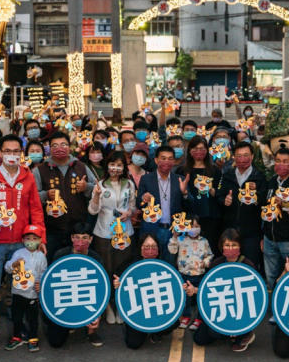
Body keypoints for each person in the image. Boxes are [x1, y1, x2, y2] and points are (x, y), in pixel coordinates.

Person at [0, 134, 45, 344]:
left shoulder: (28, 177)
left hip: (22, 242)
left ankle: (21, 326)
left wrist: (40, 237)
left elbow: (35, 209)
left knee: (23, 286)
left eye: (16, 151)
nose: (12, 155)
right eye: (7, 151)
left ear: (21, 154)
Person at [187, 229, 258, 353]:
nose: (230, 248)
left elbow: (255, 297)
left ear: (240, 246)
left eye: (234, 245)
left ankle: (245, 333)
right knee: (200, 339)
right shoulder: (217, 264)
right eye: (227, 245)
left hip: (240, 310)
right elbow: (208, 289)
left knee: (231, 331)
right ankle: (226, 333)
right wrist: (194, 290)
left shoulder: (248, 265)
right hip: (222, 307)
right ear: (222, 247)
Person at [89, 151, 137, 323]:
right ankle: (108, 305)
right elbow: (93, 211)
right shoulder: (100, 184)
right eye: (112, 164)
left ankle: (120, 304)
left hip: (124, 233)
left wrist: (129, 213)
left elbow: (132, 206)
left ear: (124, 167)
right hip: (104, 233)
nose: (115, 168)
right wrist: (95, 195)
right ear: (107, 166)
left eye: (119, 165)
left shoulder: (129, 184)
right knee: (107, 269)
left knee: (122, 269)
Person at [34, 131, 95, 261]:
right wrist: (45, 195)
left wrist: (86, 187)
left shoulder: (81, 166)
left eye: (63, 145)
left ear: (70, 147)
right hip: (51, 228)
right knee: (52, 261)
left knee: (76, 263)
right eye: (54, 146)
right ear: (49, 148)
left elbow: (97, 190)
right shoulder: (40, 169)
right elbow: (32, 197)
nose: (59, 148)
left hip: (77, 230)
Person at [46, 223, 104, 348]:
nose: (80, 241)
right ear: (72, 238)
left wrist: (97, 314)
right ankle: (68, 323)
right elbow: (51, 282)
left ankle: (91, 332)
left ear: (91, 239)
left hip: (86, 296)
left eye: (84, 238)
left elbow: (100, 288)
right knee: (55, 342)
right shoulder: (60, 255)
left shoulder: (96, 258)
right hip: (65, 297)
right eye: (77, 237)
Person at [215, 142, 267, 267]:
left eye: (246, 155)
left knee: (251, 265)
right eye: (239, 156)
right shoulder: (227, 175)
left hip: (251, 232)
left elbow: (265, 201)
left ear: (252, 156)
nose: (242, 159)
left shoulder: (259, 176)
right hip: (230, 230)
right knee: (229, 266)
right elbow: (218, 195)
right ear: (233, 157)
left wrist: (255, 197)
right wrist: (224, 200)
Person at [263, 147, 289, 289]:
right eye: (278, 161)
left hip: (288, 239)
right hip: (269, 238)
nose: (280, 164)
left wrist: (285, 205)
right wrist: (264, 235)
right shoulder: (272, 181)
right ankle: (272, 305)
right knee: (270, 276)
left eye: (285, 162)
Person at [3, 224, 48, 353]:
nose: (31, 242)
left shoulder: (41, 256)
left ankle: (33, 338)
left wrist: (41, 285)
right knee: (16, 317)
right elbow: (7, 268)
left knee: (32, 318)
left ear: (40, 240)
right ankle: (17, 337)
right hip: (18, 292)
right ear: (23, 240)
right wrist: (13, 264)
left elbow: (43, 272)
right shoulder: (18, 253)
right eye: (28, 238)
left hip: (33, 294)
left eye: (35, 239)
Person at [137, 145, 185, 263]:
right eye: (163, 158)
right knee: (151, 263)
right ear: (156, 160)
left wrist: (185, 194)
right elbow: (139, 204)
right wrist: (144, 199)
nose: (166, 161)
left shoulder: (180, 179)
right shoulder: (146, 179)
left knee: (171, 263)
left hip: (173, 230)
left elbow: (189, 206)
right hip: (152, 230)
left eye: (170, 158)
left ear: (174, 161)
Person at [168, 217, 213, 330]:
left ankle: (198, 319)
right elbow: (172, 250)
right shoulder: (181, 239)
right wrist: (174, 236)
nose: (194, 229)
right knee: (186, 297)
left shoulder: (204, 241)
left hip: (199, 274)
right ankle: (186, 316)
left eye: (197, 226)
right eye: (191, 226)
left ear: (200, 227)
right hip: (184, 274)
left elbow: (210, 255)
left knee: (200, 297)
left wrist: (205, 262)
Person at [183, 135, 221, 251]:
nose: (199, 152)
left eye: (202, 149)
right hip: (190, 217)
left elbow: (220, 194)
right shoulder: (183, 170)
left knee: (209, 249)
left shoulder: (215, 170)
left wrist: (213, 191)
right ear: (189, 151)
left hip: (211, 217)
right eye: (195, 149)